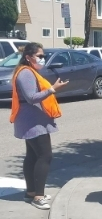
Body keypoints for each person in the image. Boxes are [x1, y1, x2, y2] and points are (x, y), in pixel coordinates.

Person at [10, 43, 68, 210]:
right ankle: (38, 197)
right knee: (45, 156)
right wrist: (52, 89)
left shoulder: (27, 70)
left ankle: (31, 192)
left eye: (43, 56)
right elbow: (31, 97)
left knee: (33, 156)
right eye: (40, 56)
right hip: (32, 121)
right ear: (29, 57)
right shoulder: (26, 73)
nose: (43, 59)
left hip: (31, 119)